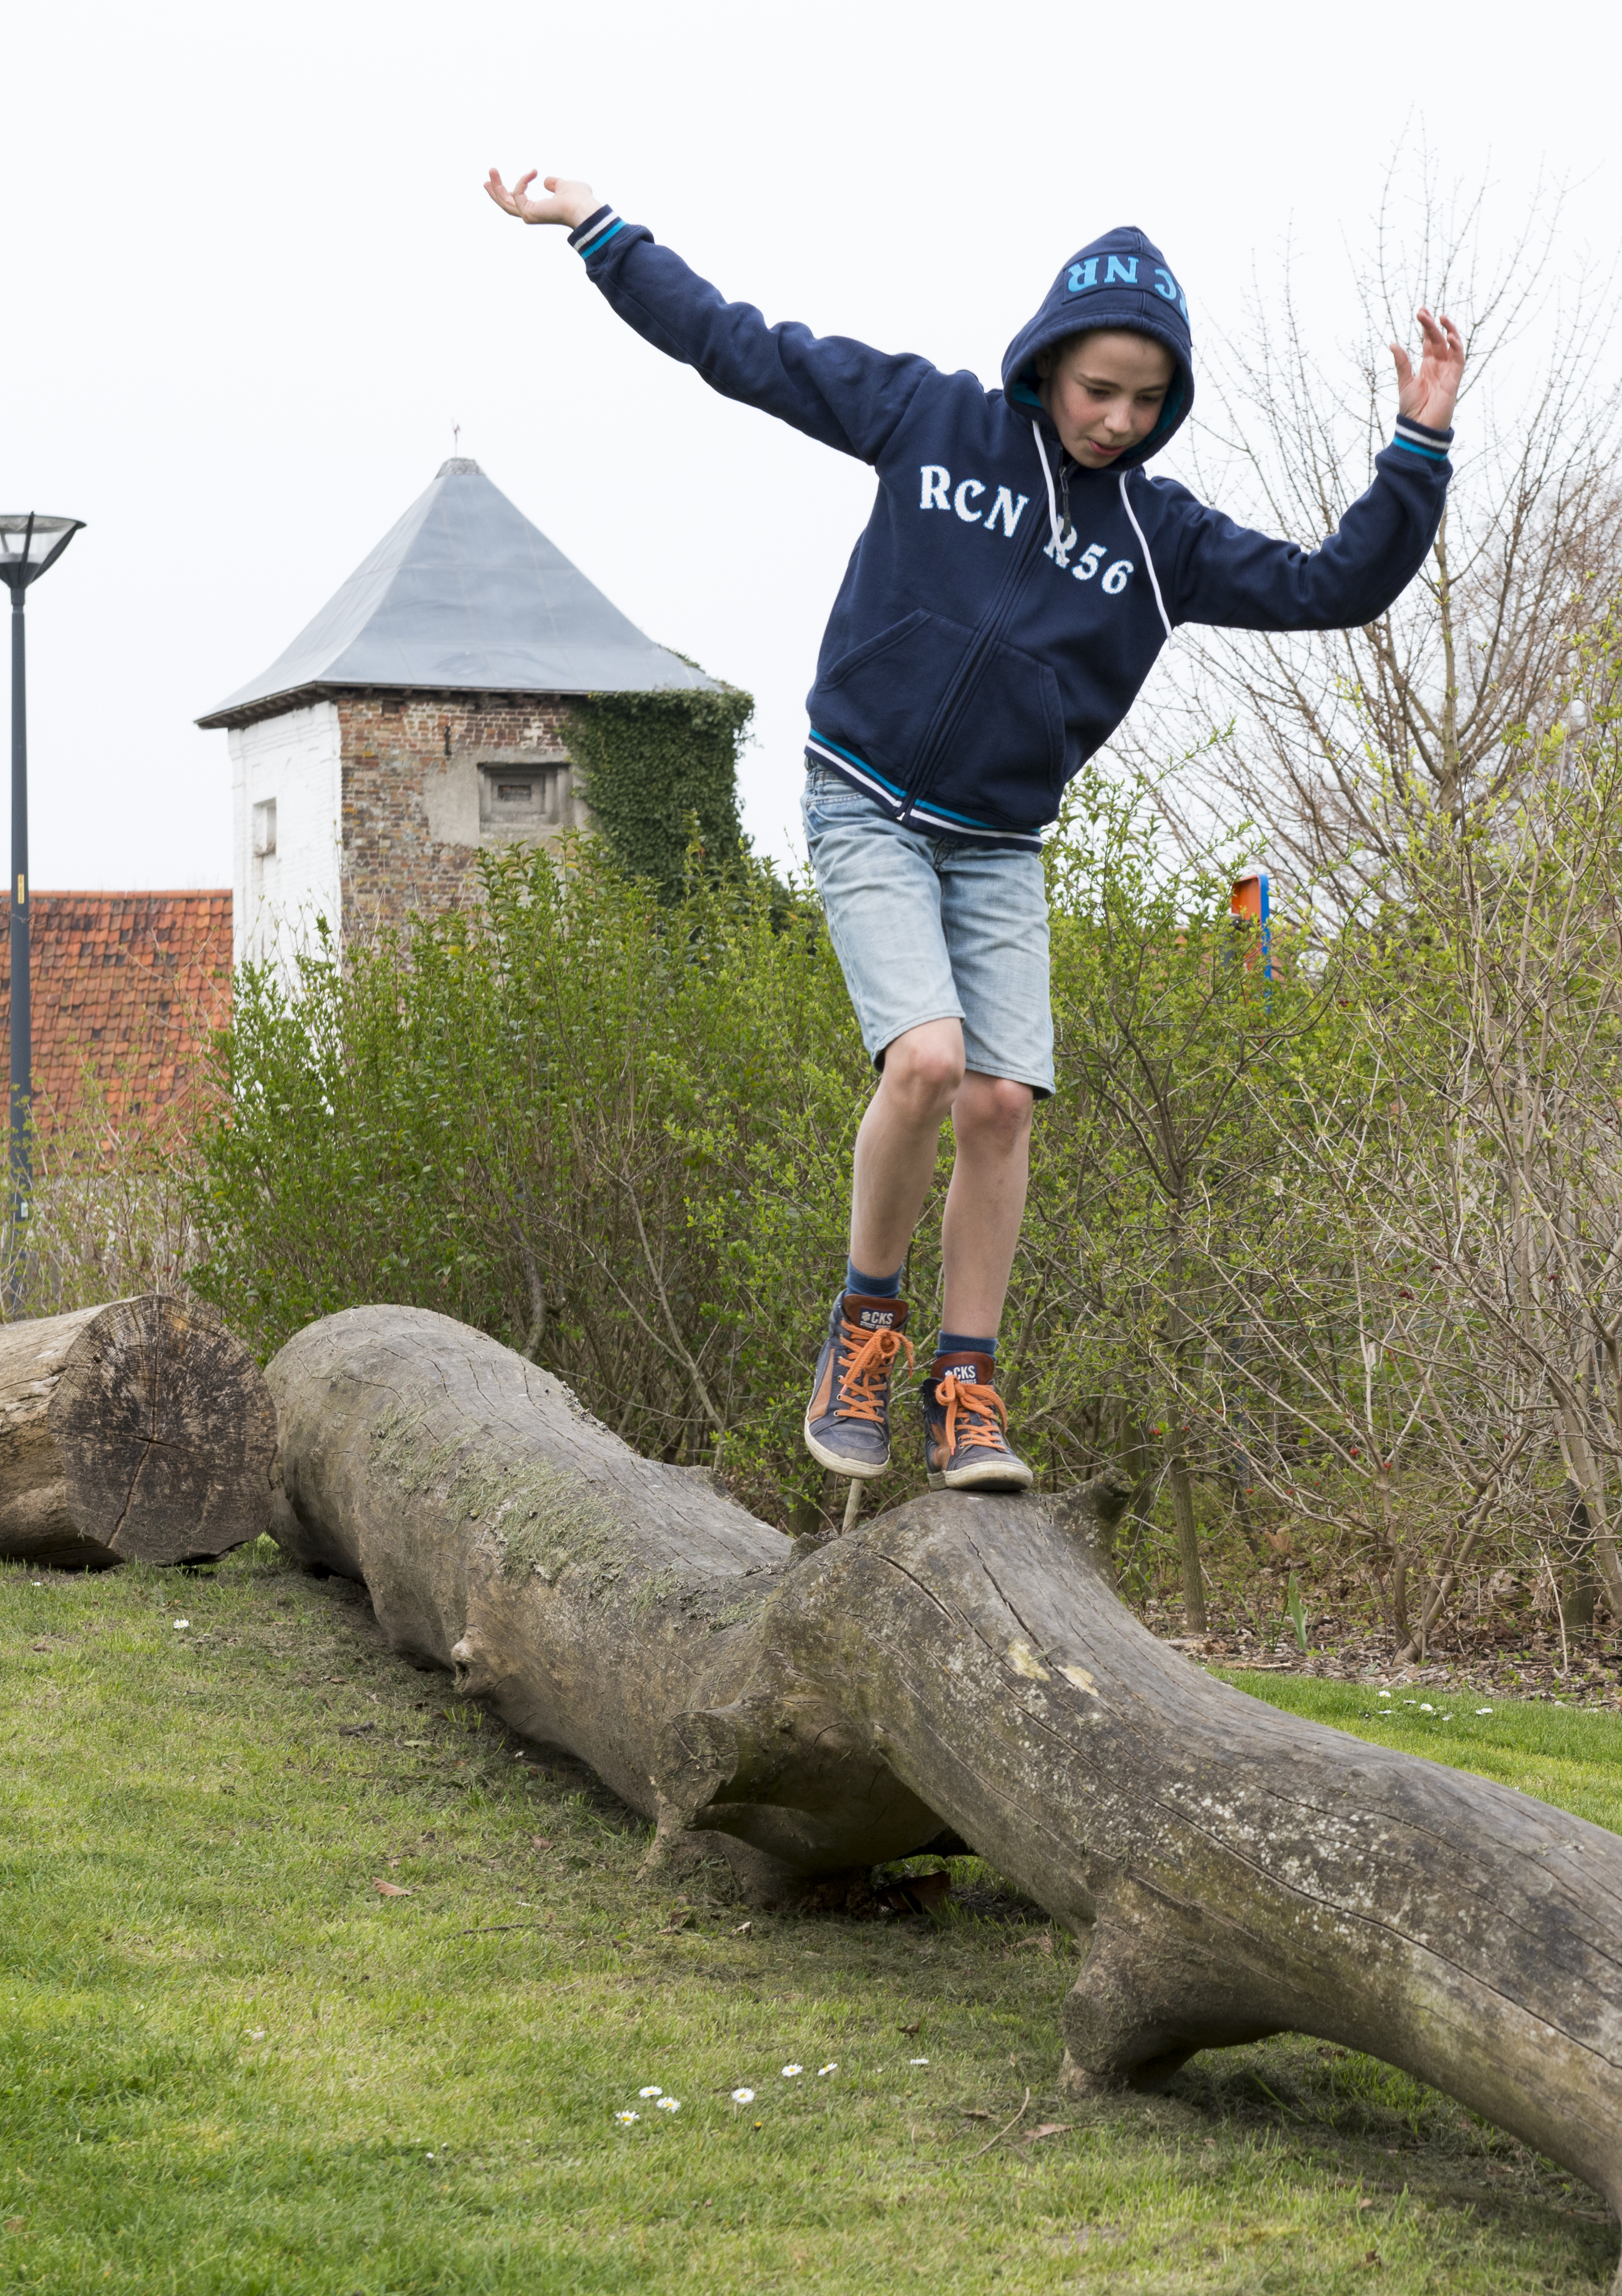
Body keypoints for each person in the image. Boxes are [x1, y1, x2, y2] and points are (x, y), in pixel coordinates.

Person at [487, 168, 1464, 1493]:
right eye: (1094, 390)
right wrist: (597, 232)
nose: (1115, 421)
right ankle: (862, 1327)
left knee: (1003, 1101)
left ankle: (965, 1385)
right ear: (1046, 366)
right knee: (929, 1064)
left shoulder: (1159, 537)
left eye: (1143, 401)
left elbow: (1332, 584)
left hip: (995, 838)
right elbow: (736, 348)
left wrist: (1413, 450)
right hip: (864, 798)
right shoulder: (927, 418)